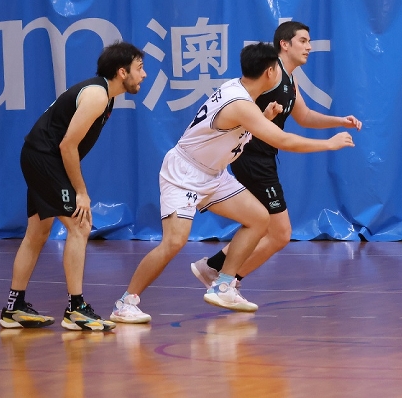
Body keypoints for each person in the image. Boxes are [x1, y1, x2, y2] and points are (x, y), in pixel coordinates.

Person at [109, 42, 354, 324]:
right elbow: (283, 140)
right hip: (185, 174)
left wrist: (264, 117)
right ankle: (125, 302)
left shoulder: (241, 93)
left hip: (213, 174)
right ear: (270, 72)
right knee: (174, 242)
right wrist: (329, 144)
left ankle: (223, 284)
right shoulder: (240, 103)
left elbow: (235, 129)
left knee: (259, 218)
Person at [191, 21, 362, 290]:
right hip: (251, 157)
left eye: (309, 41)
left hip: (264, 158)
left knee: (269, 228)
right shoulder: (270, 75)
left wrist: (339, 121)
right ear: (284, 44)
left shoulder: (290, 79)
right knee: (279, 233)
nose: (309, 47)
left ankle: (216, 270)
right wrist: (329, 144)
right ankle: (224, 280)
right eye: (303, 41)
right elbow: (247, 110)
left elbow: (304, 116)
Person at [0, 42, 146, 331]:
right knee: (81, 225)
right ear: (122, 72)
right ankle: (76, 309)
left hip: (38, 156)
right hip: (45, 158)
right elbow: (68, 146)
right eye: (139, 68)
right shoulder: (97, 95)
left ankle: (13, 307)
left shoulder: (106, 96)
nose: (143, 74)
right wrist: (81, 192)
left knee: (37, 232)